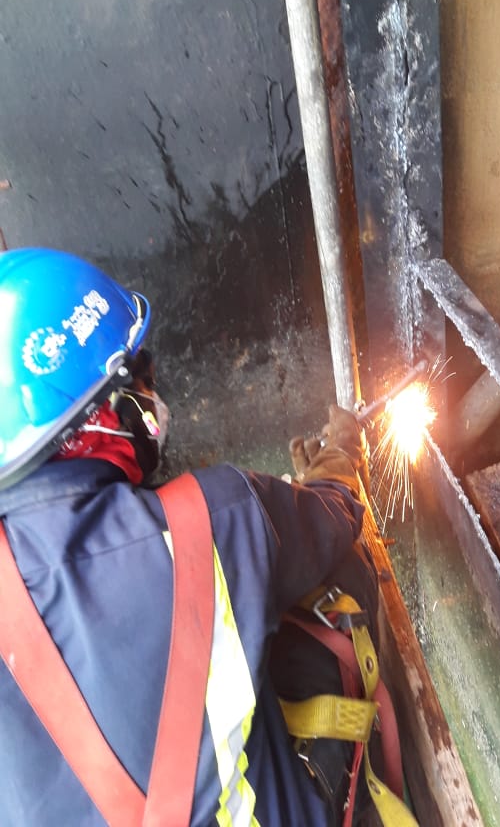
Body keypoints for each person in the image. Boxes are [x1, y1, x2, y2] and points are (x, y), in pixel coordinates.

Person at [0, 246, 382, 826]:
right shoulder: (215, 519)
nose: (152, 389)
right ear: (105, 408)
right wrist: (337, 463)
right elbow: (336, 516)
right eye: (140, 371)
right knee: (342, 578)